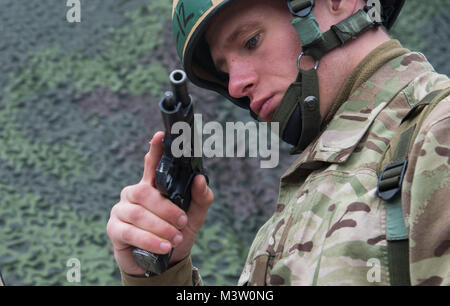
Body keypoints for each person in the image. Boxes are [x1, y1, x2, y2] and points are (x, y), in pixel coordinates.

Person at [107, 0, 450, 285]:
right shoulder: (308, 191)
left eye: (251, 41)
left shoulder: (436, 132)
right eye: (225, 72)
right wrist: (162, 272)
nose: (236, 85)